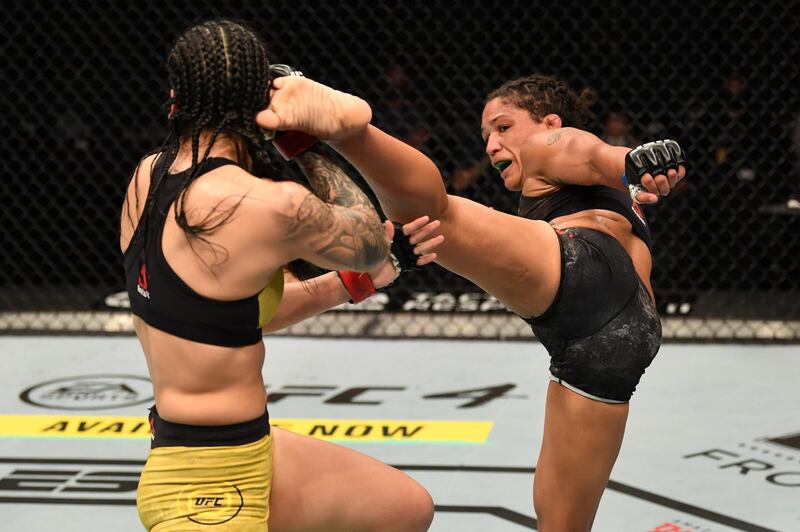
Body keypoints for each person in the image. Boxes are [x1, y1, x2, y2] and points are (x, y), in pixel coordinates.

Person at [258, 73, 686, 531]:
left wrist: (631, 158)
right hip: (615, 346)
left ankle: (347, 127)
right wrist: (636, 166)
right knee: (561, 525)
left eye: (504, 127)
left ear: (549, 122)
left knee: (432, 215)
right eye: (486, 135)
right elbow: (607, 166)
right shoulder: (598, 189)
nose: (492, 145)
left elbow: (589, 152)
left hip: (590, 275)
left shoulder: (549, 144)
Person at [119, 19, 442, 531]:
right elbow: (369, 240)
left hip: (233, 446)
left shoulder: (146, 177)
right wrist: (303, 141)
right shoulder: (267, 205)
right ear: (261, 106)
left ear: (175, 97)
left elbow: (232, 321)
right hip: (208, 488)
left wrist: (356, 283)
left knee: (401, 507)